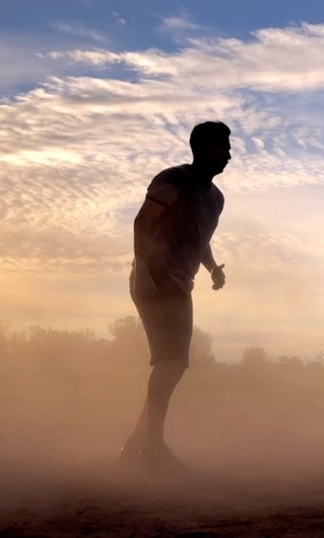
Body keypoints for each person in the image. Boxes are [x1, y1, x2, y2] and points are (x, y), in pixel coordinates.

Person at [119, 121, 231, 472]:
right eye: (221, 147)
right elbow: (142, 223)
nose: (229, 154)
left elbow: (200, 237)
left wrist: (212, 268)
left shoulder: (215, 198)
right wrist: (143, 272)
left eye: (228, 147)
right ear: (200, 148)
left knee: (173, 364)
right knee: (170, 362)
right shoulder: (173, 180)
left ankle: (140, 443)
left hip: (181, 283)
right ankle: (150, 447)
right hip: (157, 279)